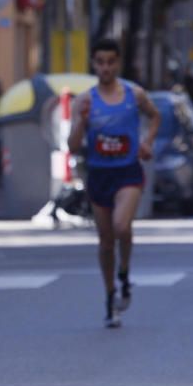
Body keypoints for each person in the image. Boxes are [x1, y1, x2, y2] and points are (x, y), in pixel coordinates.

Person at [67, 38, 160, 328]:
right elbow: (72, 145)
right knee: (106, 241)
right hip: (99, 174)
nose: (105, 67)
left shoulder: (135, 94)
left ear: (117, 63)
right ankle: (110, 297)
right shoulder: (84, 101)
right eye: (100, 62)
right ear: (94, 64)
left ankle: (124, 272)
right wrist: (82, 123)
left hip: (128, 172)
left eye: (110, 62)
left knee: (122, 226)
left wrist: (146, 142)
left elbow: (155, 117)